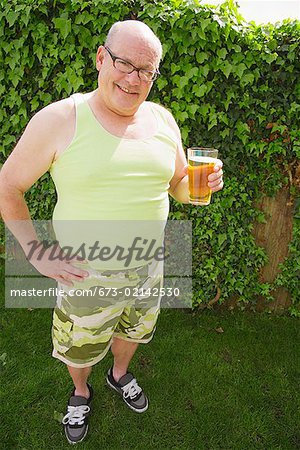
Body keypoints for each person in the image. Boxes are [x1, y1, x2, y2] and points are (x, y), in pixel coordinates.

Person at [0, 20, 224, 445]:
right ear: (102, 58)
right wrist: (34, 251)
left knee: (134, 331)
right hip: (87, 274)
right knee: (79, 346)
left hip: (149, 266)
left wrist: (197, 188)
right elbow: (8, 185)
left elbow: (177, 184)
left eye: (146, 71)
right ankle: (81, 390)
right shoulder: (61, 118)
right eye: (124, 63)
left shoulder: (163, 120)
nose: (133, 78)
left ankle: (119, 374)